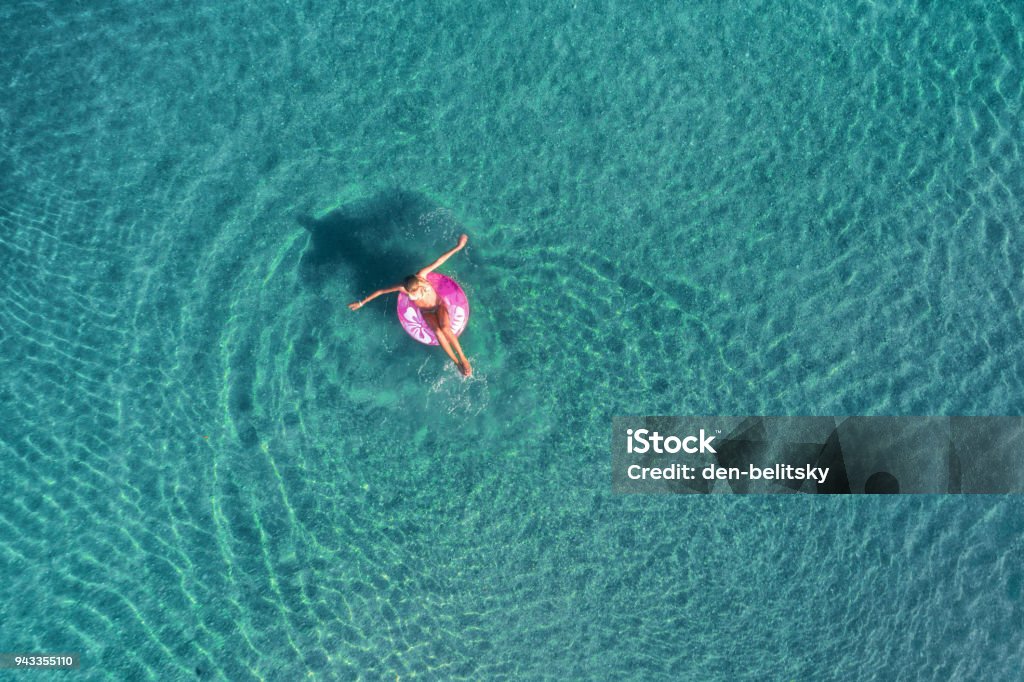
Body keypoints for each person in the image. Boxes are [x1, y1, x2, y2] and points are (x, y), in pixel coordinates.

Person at [349, 234, 473, 376]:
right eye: (409, 292)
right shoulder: (403, 288)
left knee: (445, 327)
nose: (411, 293)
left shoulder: (422, 275)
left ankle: (463, 359)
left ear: (418, 282)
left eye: (413, 291)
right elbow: (381, 291)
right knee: (438, 332)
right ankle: (456, 363)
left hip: (439, 305)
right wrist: (361, 303)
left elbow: (440, 260)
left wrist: (458, 246)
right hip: (426, 312)